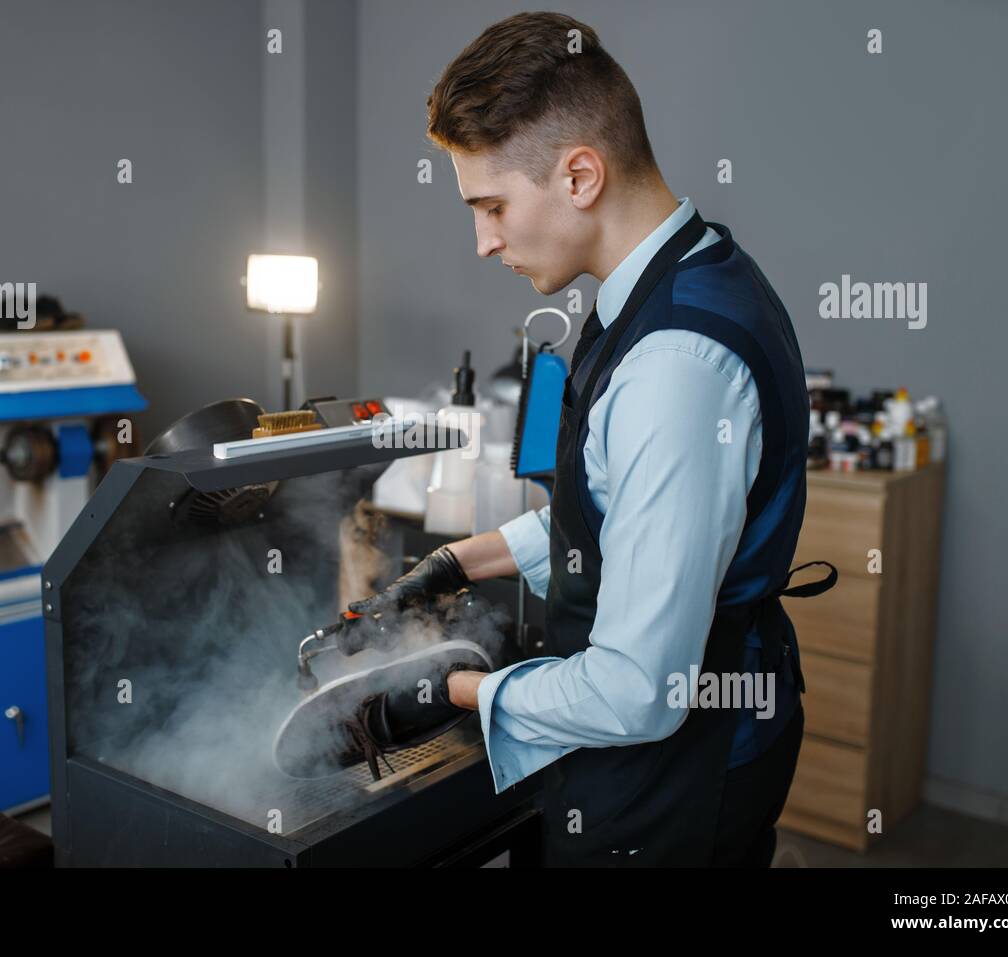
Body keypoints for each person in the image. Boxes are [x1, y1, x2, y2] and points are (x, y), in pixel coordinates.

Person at [349, 11, 834, 867]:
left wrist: (443, 692)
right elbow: (615, 511)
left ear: (579, 175)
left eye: (492, 205)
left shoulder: (674, 366)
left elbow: (637, 691)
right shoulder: (689, 274)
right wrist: (460, 560)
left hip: (671, 782)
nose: (484, 240)